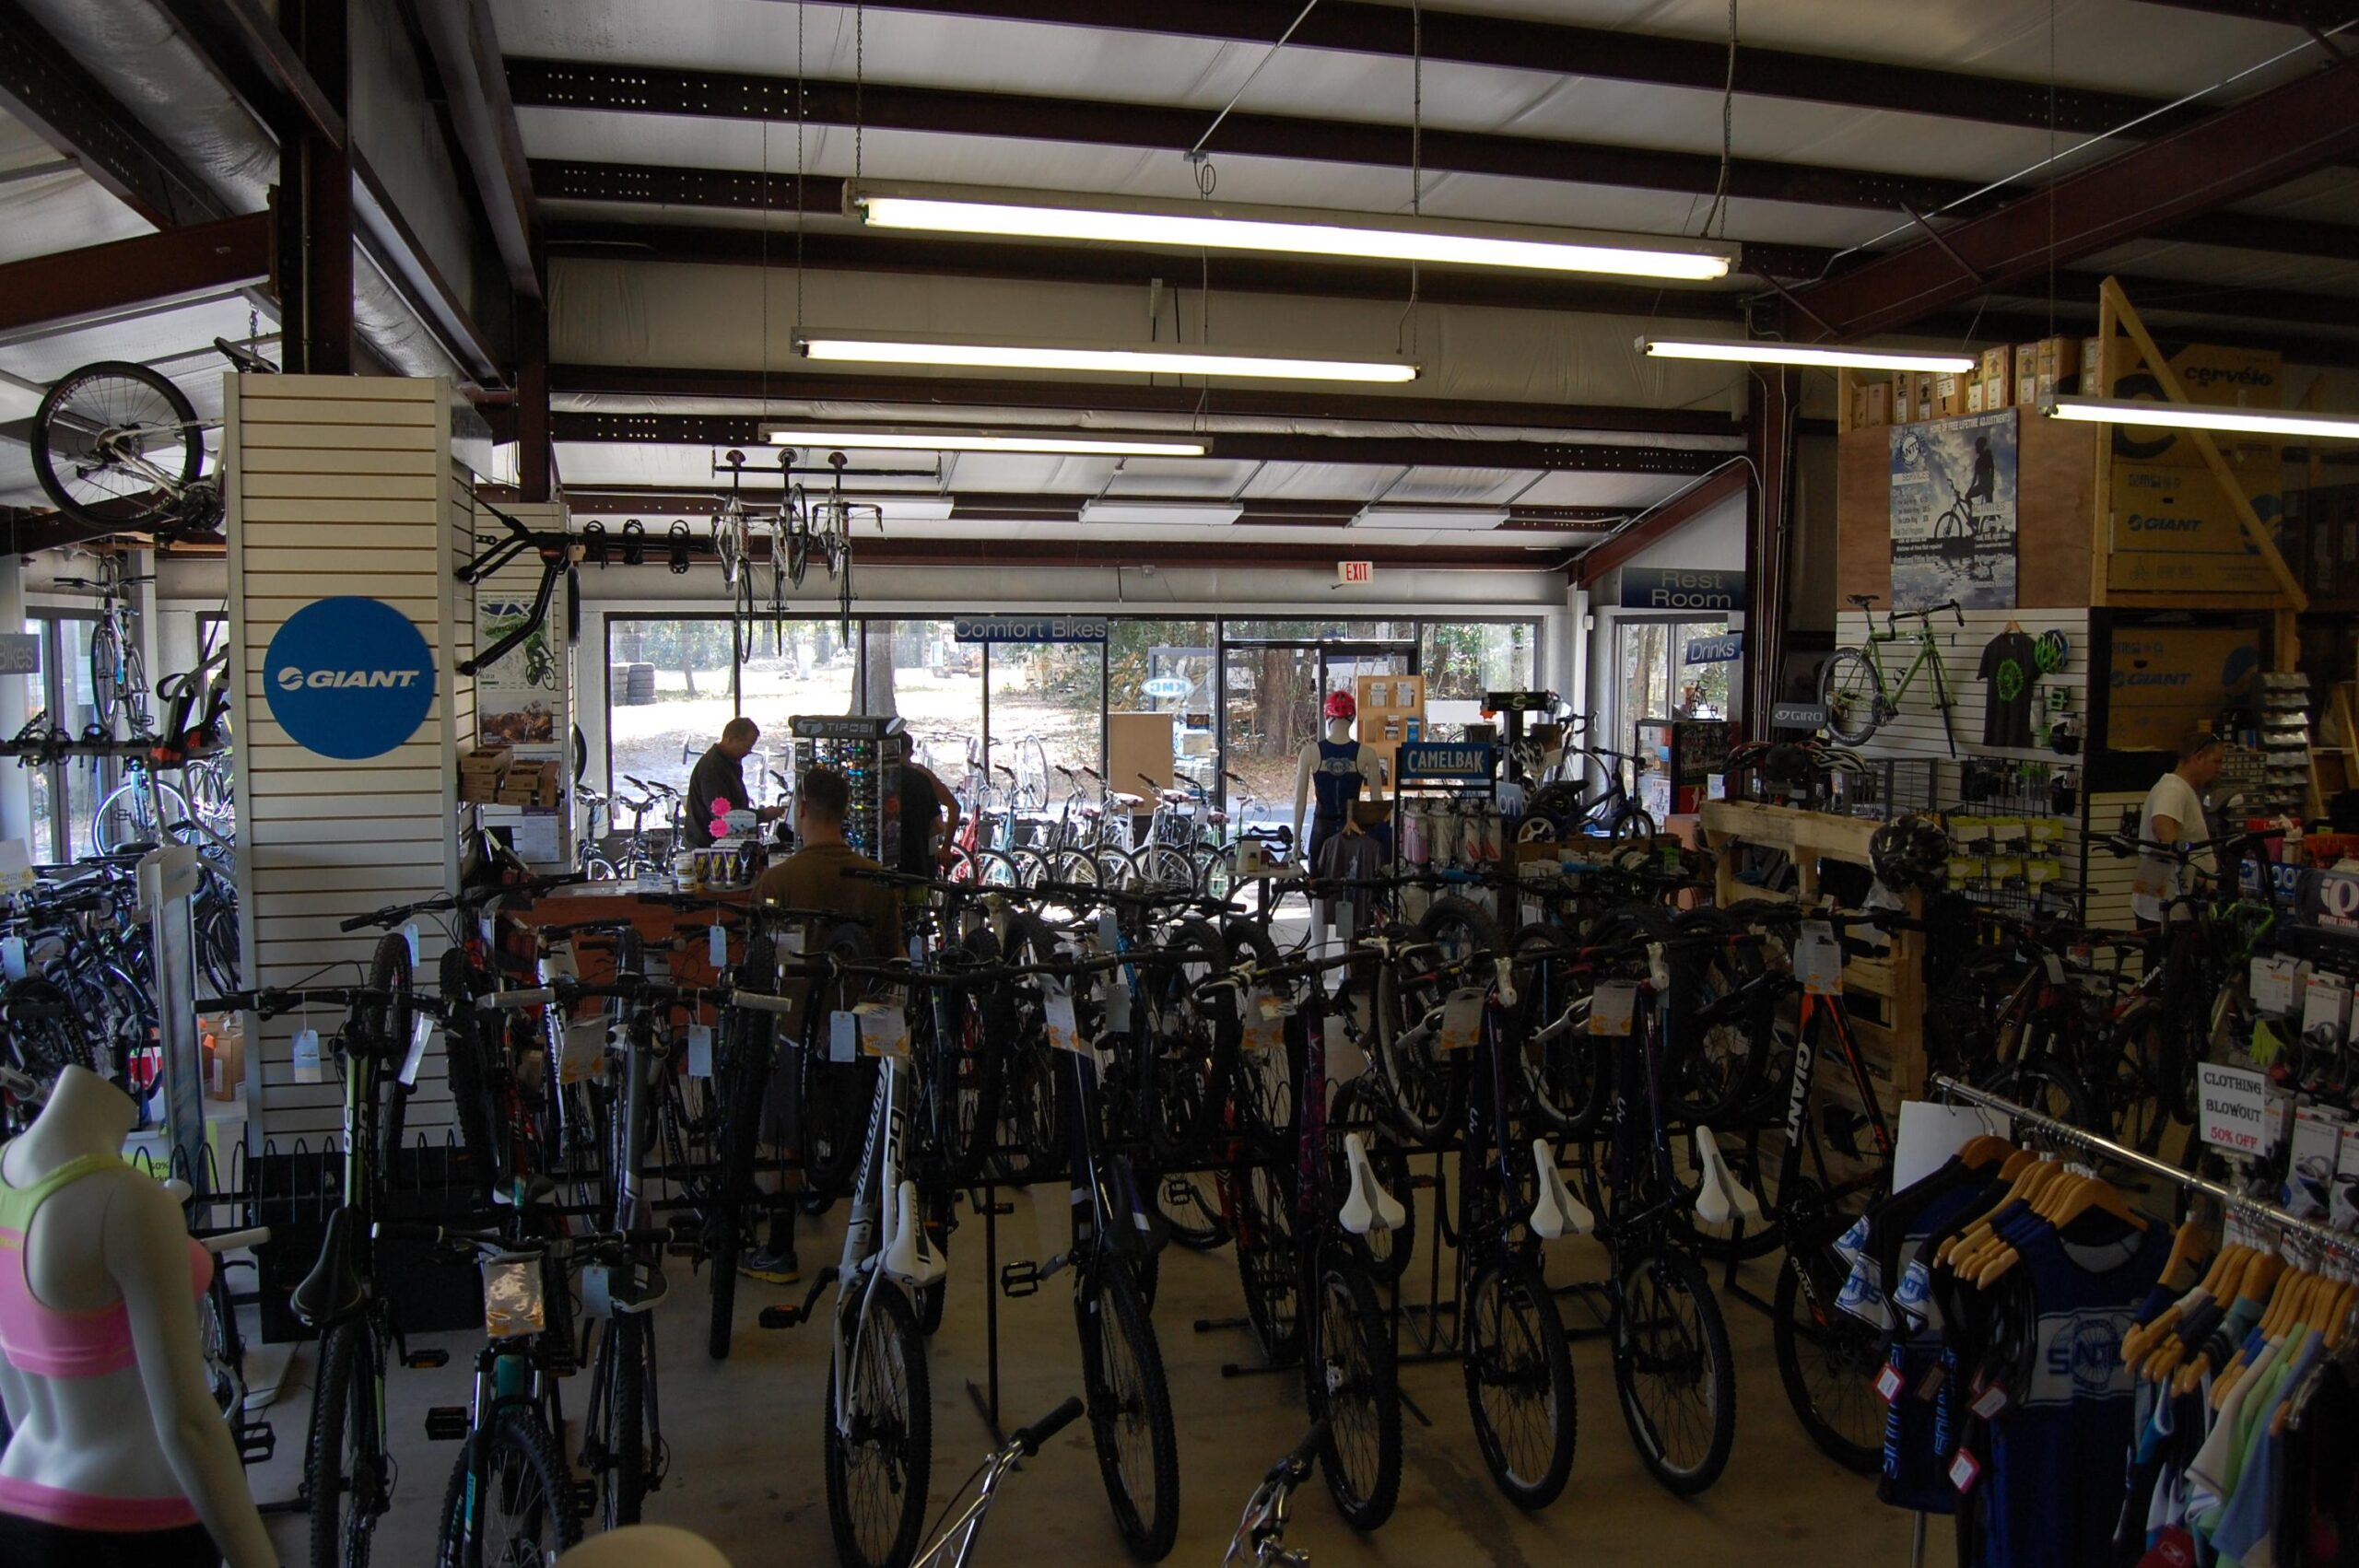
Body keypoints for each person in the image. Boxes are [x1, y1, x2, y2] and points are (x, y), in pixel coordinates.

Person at [739, 766, 903, 1283]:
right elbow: (894, 961)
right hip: (864, 1032)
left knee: (785, 1134)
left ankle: (780, 1248)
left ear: (803, 808)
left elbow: (757, 966)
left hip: (794, 1030)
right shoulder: (876, 881)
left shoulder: (777, 882)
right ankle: (874, 1243)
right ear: (847, 809)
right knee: (873, 1134)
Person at [2132, 728, 2224, 927]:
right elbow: (2161, 825)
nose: (2220, 769)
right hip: (2171, 912)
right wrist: (2193, 875)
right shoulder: (2173, 788)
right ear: (2199, 757)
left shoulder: (2179, 789)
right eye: (2216, 761)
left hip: (2172, 908)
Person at [684, 718, 782, 849]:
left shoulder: (727, 763)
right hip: (708, 847)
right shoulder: (713, 768)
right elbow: (724, 816)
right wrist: (763, 815)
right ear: (731, 739)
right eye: (747, 746)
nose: (748, 752)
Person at [896, 737, 963, 879]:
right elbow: (949, 813)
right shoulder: (921, 775)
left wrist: (945, 847)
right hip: (920, 856)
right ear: (910, 752)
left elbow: (953, 809)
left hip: (910, 856)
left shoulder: (921, 776)